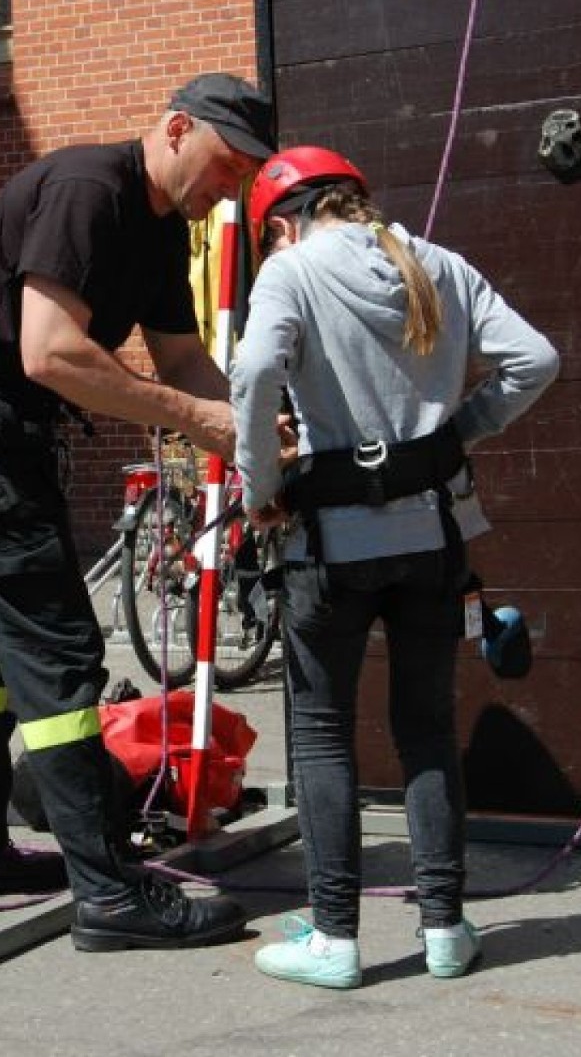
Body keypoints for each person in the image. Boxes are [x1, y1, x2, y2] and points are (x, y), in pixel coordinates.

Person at [0, 73, 276, 952]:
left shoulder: (162, 229)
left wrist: (253, 442)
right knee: (57, 641)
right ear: (179, 128)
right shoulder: (86, 189)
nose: (235, 191)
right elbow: (51, 351)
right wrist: (200, 421)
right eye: (230, 166)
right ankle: (107, 889)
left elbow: (184, 363)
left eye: (251, 177)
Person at [229, 146, 560, 988]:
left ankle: (334, 938)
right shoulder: (436, 263)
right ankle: (445, 928)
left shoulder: (291, 272)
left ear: (280, 222)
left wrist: (261, 487)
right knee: (425, 730)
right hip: (429, 539)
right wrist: (458, 434)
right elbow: (537, 360)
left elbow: (258, 369)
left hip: (330, 547)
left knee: (323, 733)